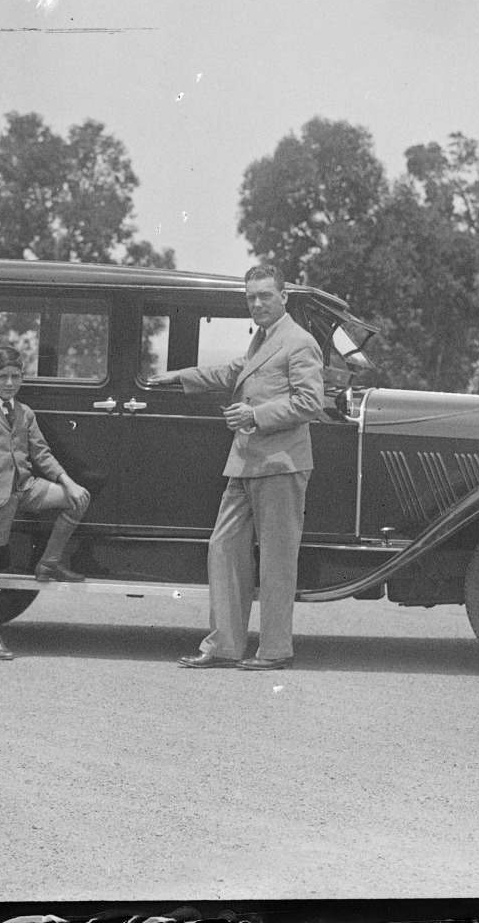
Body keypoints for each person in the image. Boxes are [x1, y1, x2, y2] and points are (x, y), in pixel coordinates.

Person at [149, 264, 324, 671]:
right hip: (246, 463)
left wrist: (254, 415)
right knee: (223, 548)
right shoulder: (263, 339)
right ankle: (225, 646)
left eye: (265, 295)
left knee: (276, 561)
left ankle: (275, 650)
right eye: (250, 298)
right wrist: (180, 377)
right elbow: (233, 372)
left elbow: (310, 402)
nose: (257, 304)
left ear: (284, 297)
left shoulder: (300, 342)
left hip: (280, 464)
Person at [0, 342, 91, 660]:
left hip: (26, 488)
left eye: (15, 376)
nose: (9, 383)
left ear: (22, 377)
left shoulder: (25, 413)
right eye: (2, 376)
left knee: (79, 499)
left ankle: (49, 562)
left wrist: (68, 483)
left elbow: (42, 454)